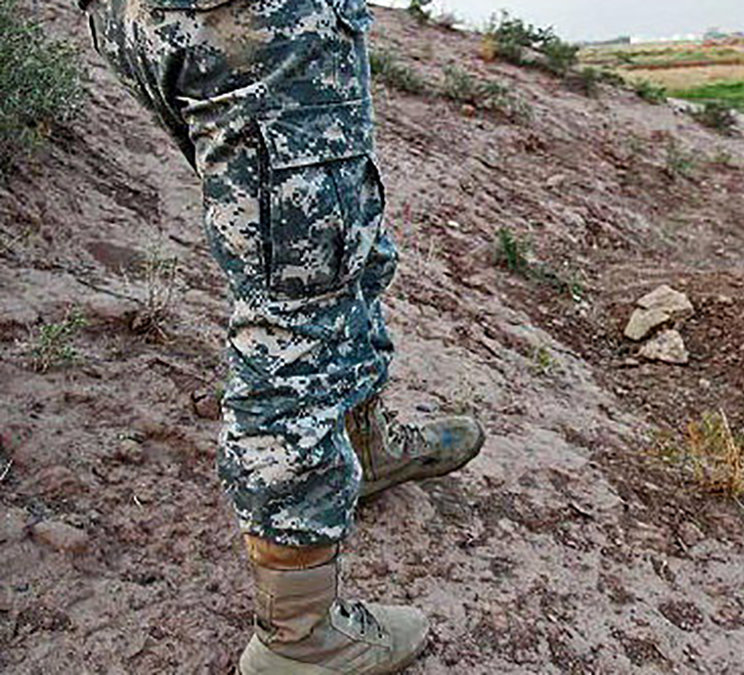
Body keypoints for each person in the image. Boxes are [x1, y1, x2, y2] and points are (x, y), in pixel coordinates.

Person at [81, 0, 486, 670]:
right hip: (250, 23)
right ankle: (299, 634)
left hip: (203, 20)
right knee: (295, 312)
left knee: (340, 248)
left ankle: (356, 445)